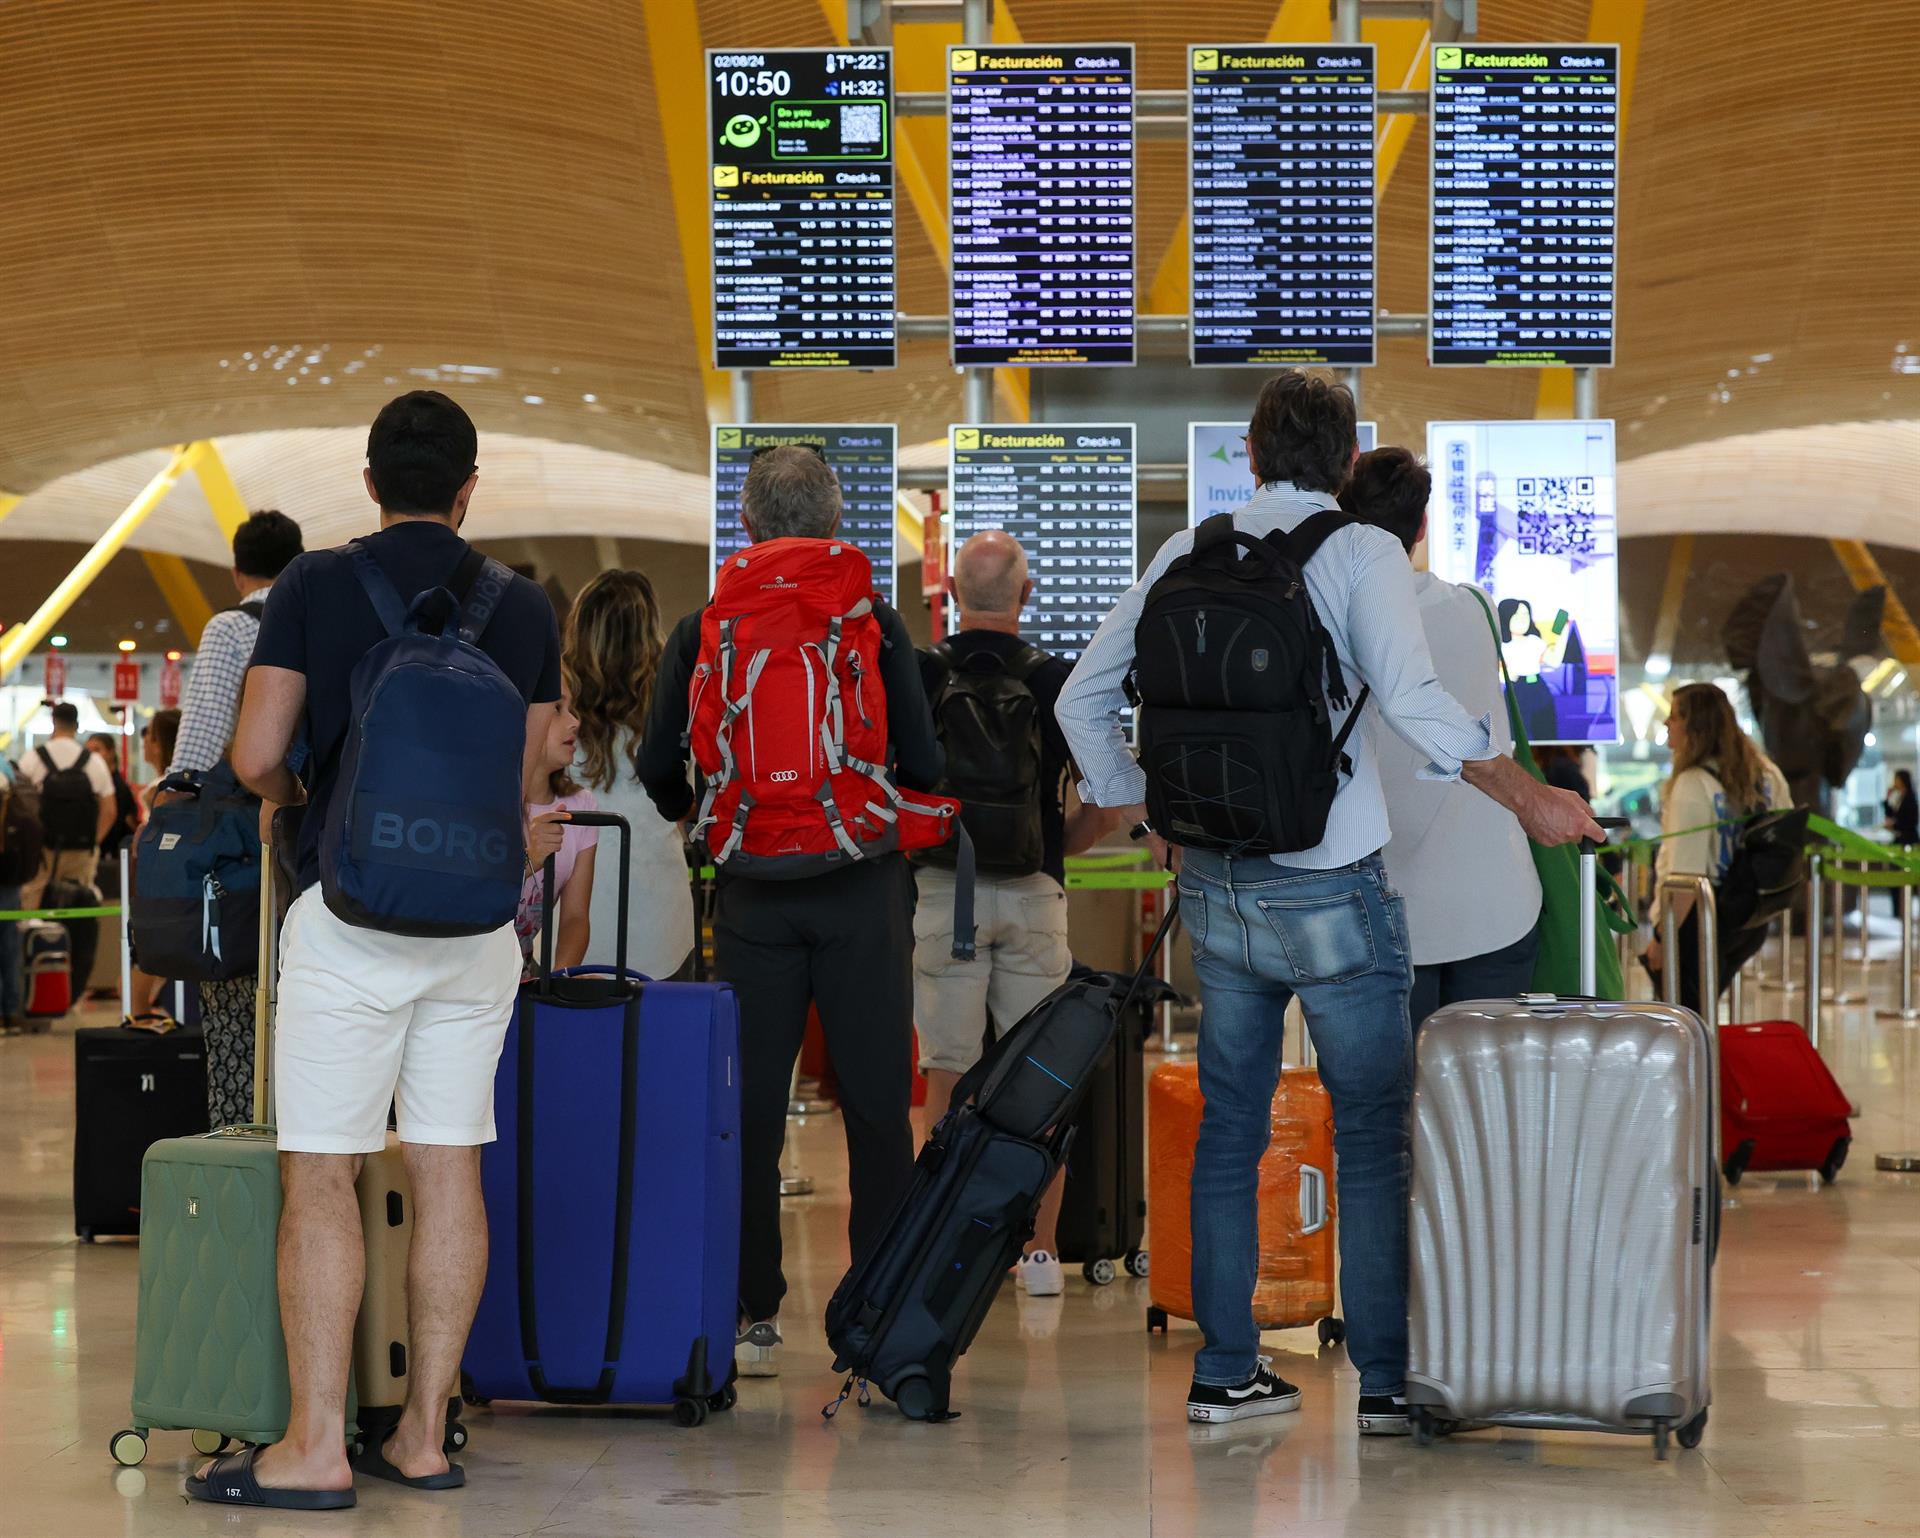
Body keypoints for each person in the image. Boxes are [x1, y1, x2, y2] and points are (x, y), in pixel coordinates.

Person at [1055, 370, 1600, 1434]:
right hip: (1336, 882)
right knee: (1371, 1127)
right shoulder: (1360, 553)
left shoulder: (1186, 550)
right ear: (1347, 466)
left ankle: (1225, 1371)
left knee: (1230, 1127)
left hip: (1218, 886)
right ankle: (1387, 1384)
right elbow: (1414, 701)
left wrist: (1147, 808)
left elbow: (1083, 697)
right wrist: (1528, 793)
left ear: (1250, 457)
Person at [207, 390, 564, 1508]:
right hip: (474, 927)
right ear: (468, 490)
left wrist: (297, 799)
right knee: (450, 1163)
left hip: (348, 913)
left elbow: (257, 748)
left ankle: (314, 1447)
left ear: (368, 482)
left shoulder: (313, 583)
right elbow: (526, 778)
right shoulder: (523, 605)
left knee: (323, 1172)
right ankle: (421, 1436)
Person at [637, 445, 942, 1378]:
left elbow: (658, 771)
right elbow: (925, 766)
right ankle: (877, 1310)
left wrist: (726, 816)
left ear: (749, 525)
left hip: (752, 897)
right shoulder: (873, 620)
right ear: (838, 520)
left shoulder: (705, 627)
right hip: (860, 887)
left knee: (751, 1107)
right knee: (878, 1105)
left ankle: (748, 1306)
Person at [913, 530, 1116, 1297]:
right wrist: (1062, 842)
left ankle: (934, 1245)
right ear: (1025, 596)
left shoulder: (925, 676)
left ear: (951, 596)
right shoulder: (1054, 681)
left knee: (945, 1074)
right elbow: (1114, 796)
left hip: (946, 889)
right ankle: (1038, 1253)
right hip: (1036, 889)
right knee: (1040, 1078)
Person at [1340, 447, 1543, 1027]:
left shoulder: (1335, 617)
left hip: (1381, 908)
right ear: (1422, 525)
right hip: (1496, 899)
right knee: (1485, 1101)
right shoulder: (1475, 607)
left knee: (1393, 1103)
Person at [160, 508, 305, 1127]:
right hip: (322, 835)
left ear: (236, 571)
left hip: (244, 845)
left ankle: (241, 1138)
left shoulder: (230, 628)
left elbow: (200, 742)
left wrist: (167, 803)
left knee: (237, 992)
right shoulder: (319, 616)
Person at [564, 570, 695, 980]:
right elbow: (687, 806)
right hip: (661, 922)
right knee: (658, 1039)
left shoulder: (553, 707)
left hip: (567, 922)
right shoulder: (678, 703)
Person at [1644, 682, 1790, 1009]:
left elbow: (1685, 879)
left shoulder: (1692, 784)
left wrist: (1661, 940)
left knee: (1683, 1022)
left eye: (1675, 717)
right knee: (1702, 1016)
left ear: (1697, 727)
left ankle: (1705, 1063)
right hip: (1749, 915)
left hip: (1695, 922)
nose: (1667, 724)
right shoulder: (1767, 775)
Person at [515, 689, 599, 977]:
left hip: (521, 984)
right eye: (557, 709)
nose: (575, 721)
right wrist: (528, 861)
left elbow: (575, 917)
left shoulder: (581, 806)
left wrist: (562, 981)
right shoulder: (483, 800)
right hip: (465, 989)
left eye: (573, 709)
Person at [18, 701, 115, 907]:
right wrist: (93, 841)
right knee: (78, 908)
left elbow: (20, 805)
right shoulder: (94, 762)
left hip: (43, 851)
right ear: (76, 725)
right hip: (81, 852)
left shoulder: (33, 758)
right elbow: (110, 811)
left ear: (53, 722)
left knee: (33, 909)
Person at [86, 732, 141, 856]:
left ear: (110, 752)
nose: (92, 756)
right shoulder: (91, 784)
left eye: (97, 750)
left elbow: (121, 822)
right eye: (88, 751)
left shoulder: (118, 787)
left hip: (113, 854)